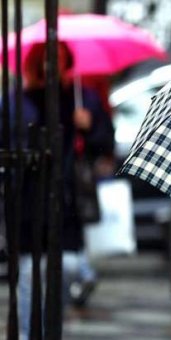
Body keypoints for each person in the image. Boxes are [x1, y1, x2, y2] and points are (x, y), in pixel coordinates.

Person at [5, 42, 114, 338]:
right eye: (45, 61)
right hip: (28, 200)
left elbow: (105, 146)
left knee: (68, 266)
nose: (51, 68)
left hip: (68, 200)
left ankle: (50, 324)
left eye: (59, 61)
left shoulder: (81, 99)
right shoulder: (17, 101)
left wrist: (89, 127)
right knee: (29, 272)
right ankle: (30, 333)